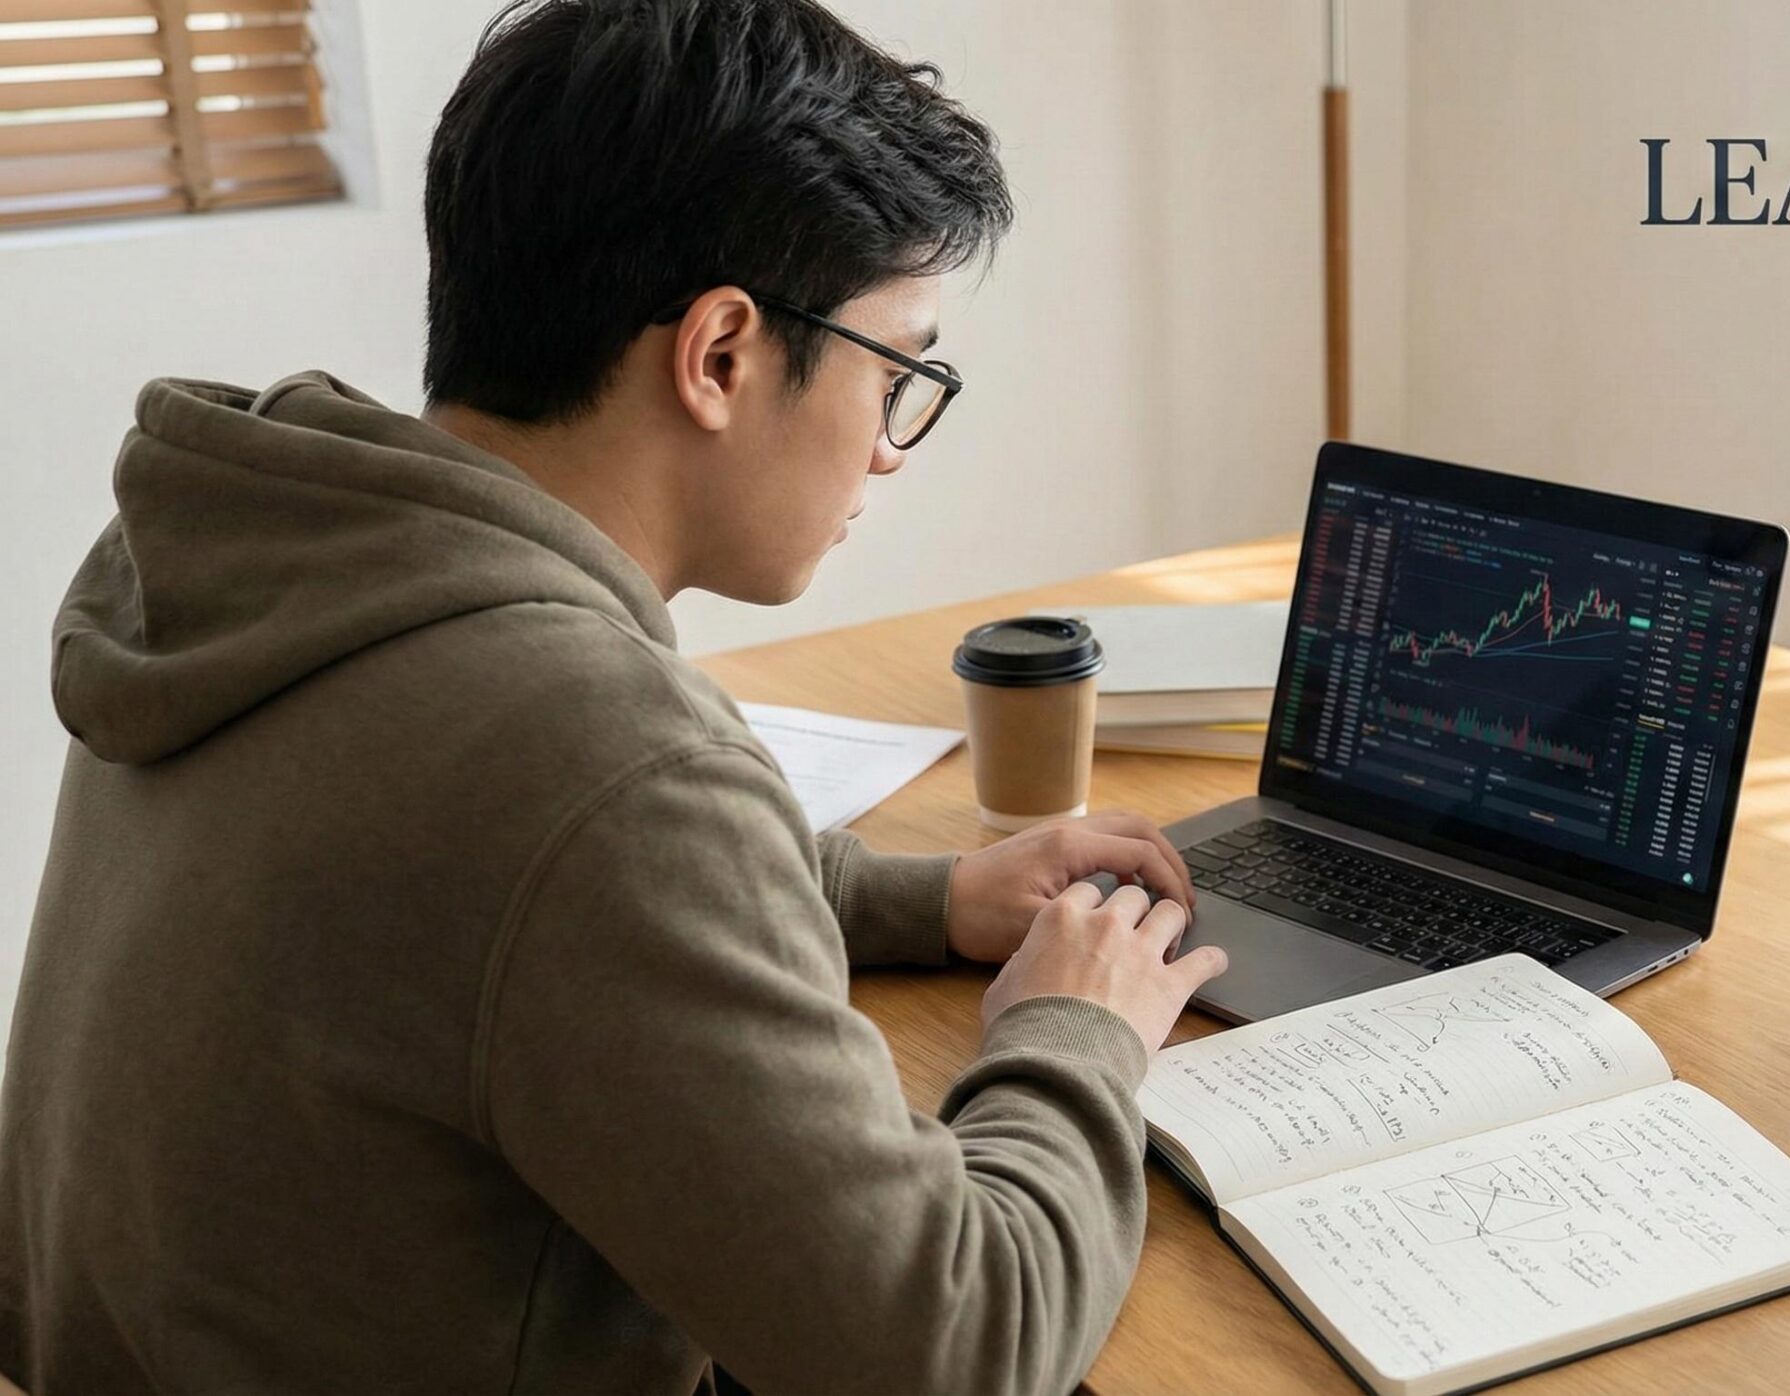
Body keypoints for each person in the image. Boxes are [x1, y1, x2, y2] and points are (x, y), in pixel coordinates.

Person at [0, 1, 1227, 1391]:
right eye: (899, 374)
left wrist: (924, 899)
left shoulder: (259, 562)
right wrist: (1076, 1028)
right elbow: (954, 1347)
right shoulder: (595, 758)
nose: (891, 450)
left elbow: (503, 896)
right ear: (720, 355)